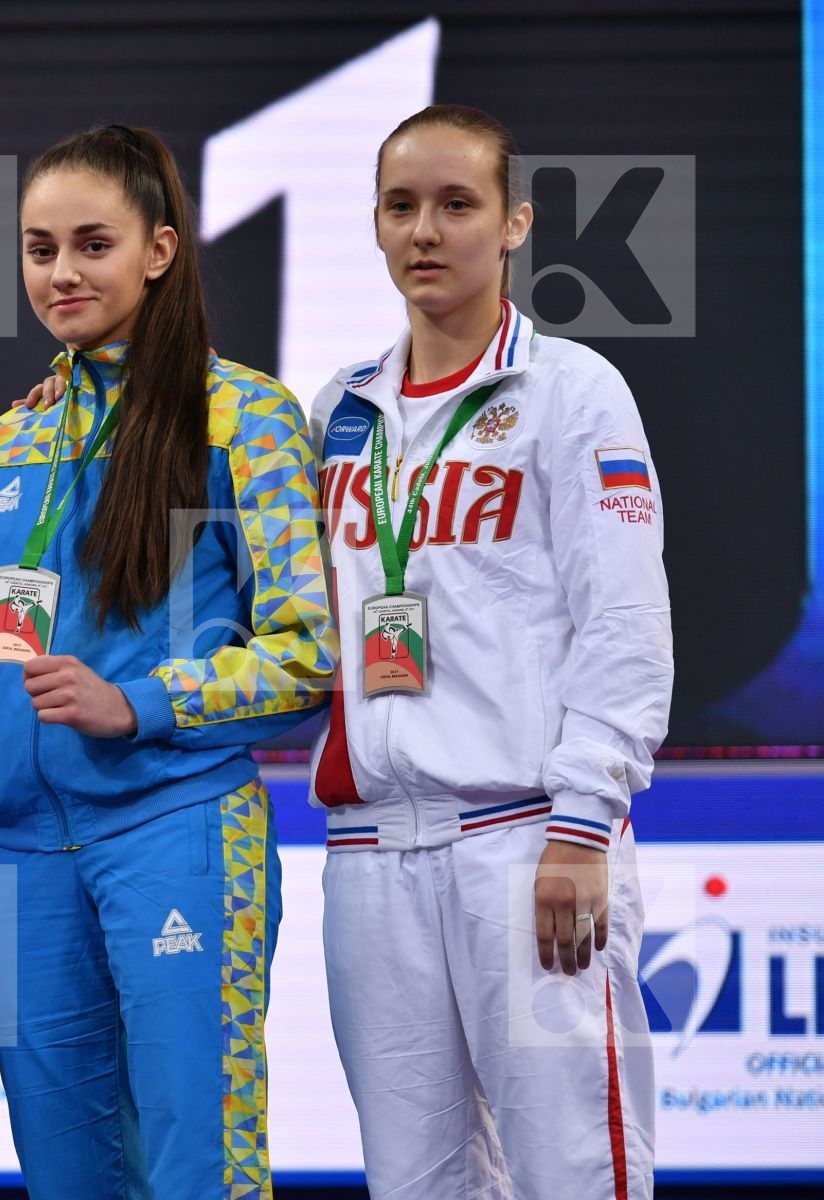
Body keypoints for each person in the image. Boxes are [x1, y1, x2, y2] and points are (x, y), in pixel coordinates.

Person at [0, 123, 336, 1200]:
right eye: (38, 249)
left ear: (159, 250)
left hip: (178, 825)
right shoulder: (2, 444)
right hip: (25, 852)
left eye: (91, 243)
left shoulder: (246, 416)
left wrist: (144, 703)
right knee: (63, 1172)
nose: (61, 273)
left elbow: (309, 654)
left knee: (196, 1166)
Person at [308, 103, 672, 1198]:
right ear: (374, 225)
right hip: (370, 856)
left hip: (525, 842)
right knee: (413, 1182)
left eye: (456, 204)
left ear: (513, 224)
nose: (426, 230)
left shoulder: (573, 391)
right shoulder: (341, 412)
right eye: (401, 205)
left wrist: (582, 824)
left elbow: (624, 621)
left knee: (574, 1172)